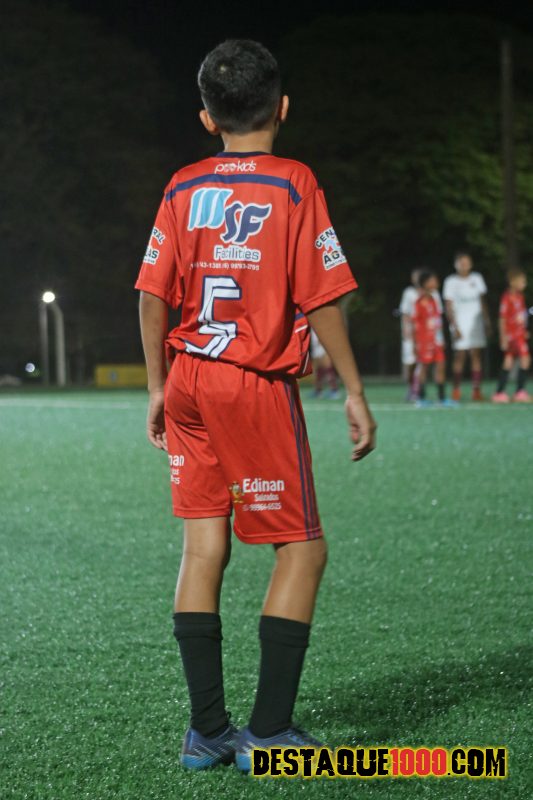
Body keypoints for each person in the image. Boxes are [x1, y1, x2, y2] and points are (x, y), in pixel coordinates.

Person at [134, 39, 376, 773]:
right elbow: (322, 293)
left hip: (188, 377)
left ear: (207, 118)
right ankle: (268, 734)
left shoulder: (181, 187)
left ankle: (207, 731)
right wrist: (354, 389)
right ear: (283, 108)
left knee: (203, 547)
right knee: (302, 547)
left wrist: (157, 385)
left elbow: (151, 293)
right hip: (252, 383)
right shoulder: (293, 183)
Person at [443, 252, 491, 401]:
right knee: (460, 356)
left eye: (466, 262)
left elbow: (482, 301)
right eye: (461, 262)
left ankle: (476, 390)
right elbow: (448, 305)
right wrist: (454, 326)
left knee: (476, 355)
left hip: (476, 323)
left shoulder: (477, 278)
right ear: (455, 264)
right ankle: (456, 389)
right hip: (460, 323)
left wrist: (487, 321)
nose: (464, 265)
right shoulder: (451, 281)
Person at [412, 270, 453, 406]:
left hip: (436, 340)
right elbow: (415, 325)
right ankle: (421, 397)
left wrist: (441, 338)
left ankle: (442, 397)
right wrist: (416, 343)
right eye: (433, 280)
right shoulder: (419, 302)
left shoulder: (434, 299)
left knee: (441, 365)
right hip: (424, 341)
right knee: (424, 368)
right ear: (425, 283)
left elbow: (437, 321)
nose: (436, 282)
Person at [492, 268, 531, 403]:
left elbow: (522, 315)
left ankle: (499, 393)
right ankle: (519, 392)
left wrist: (524, 330)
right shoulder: (507, 297)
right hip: (512, 336)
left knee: (508, 361)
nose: (524, 284)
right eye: (522, 281)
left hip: (519, 334)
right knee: (525, 359)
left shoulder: (520, 297)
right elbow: (502, 318)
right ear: (513, 282)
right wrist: (503, 337)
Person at [399, 269, 421, 401]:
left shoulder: (431, 293)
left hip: (424, 333)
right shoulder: (409, 292)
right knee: (410, 362)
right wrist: (406, 329)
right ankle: (410, 386)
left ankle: (417, 390)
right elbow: (405, 313)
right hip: (411, 333)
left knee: (421, 362)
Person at [310, 329, 339, 398]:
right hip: (315, 348)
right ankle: (318, 391)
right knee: (317, 370)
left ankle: (334, 390)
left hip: (323, 347)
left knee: (328, 368)